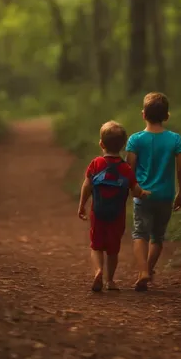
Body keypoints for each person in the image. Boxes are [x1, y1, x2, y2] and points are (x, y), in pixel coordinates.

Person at [78, 121, 150, 293]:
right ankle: (110, 280)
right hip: (117, 216)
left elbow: (87, 185)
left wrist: (82, 205)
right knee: (112, 250)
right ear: (123, 145)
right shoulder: (126, 168)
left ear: (101, 144)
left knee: (96, 246)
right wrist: (144, 193)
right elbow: (135, 190)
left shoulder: (96, 163)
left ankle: (98, 271)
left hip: (98, 213)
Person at [125, 92, 181, 291]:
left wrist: (133, 188)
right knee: (157, 237)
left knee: (139, 234)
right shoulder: (174, 139)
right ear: (167, 116)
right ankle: (149, 269)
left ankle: (143, 271)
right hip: (166, 195)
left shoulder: (136, 140)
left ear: (143, 114)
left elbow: (129, 168)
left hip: (143, 195)